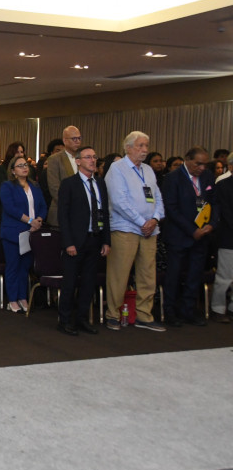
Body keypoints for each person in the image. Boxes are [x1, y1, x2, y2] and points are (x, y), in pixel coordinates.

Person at [104, 131, 166, 331]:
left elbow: (158, 196)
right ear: (128, 147)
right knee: (119, 274)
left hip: (150, 231)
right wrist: (142, 222)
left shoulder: (148, 170)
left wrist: (155, 219)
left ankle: (144, 315)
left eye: (146, 146)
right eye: (140, 146)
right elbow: (118, 201)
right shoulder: (117, 168)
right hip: (125, 228)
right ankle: (112, 314)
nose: (145, 150)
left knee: (148, 275)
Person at [56, 146, 110, 335]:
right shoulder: (69, 184)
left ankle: (82, 319)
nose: (93, 160)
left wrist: (106, 240)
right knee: (70, 283)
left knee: (88, 283)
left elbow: (104, 213)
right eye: (88, 157)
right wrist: (68, 242)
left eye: (95, 157)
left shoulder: (100, 183)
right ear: (78, 161)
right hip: (76, 241)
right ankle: (64, 320)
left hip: (94, 238)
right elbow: (63, 215)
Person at [160, 147, 216, 327]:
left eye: (204, 164)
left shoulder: (208, 177)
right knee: (174, 275)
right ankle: (170, 311)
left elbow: (214, 202)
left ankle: (188, 311)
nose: (201, 167)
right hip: (179, 235)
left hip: (202, 235)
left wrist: (212, 224)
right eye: (198, 163)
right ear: (187, 159)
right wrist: (192, 230)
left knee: (194, 275)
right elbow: (171, 208)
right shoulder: (172, 178)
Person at [0, 154, 46, 313]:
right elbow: (10, 208)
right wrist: (30, 221)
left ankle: (22, 297)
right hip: (13, 233)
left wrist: (38, 220)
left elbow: (42, 206)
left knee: (25, 267)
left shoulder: (35, 186)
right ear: (13, 171)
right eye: (20, 165)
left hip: (31, 233)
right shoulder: (7, 186)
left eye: (26, 165)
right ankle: (12, 299)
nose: (24, 168)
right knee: (13, 266)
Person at [210, 168, 233, 323]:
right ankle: (218, 308)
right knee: (225, 276)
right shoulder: (223, 185)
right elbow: (224, 212)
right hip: (228, 236)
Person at [47, 126, 82, 227]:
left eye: (79, 138)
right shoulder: (55, 159)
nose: (77, 141)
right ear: (65, 140)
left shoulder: (82, 157)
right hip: (62, 211)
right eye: (74, 139)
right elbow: (54, 188)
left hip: (80, 215)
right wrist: (73, 204)